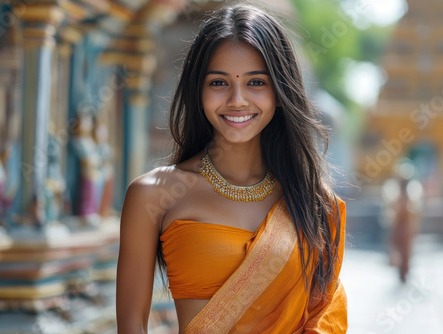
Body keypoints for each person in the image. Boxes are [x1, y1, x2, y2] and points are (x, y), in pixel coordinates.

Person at [116, 4, 347, 333]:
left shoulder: (314, 204)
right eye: (219, 83)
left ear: (280, 93)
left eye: (255, 82)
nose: (237, 100)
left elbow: (325, 318)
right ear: (199, 91)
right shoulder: (154, 195)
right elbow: (131, 326)